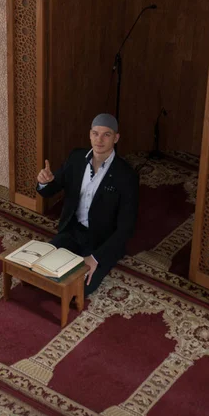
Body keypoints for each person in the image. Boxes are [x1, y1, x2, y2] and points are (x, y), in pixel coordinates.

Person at [36, 113, 139, 295]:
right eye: (95, 133)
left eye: (106, 135)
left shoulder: (126, 176)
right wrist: (45, 181)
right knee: (40, 271)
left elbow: (126, 228)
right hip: (72, 232)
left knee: (79, 288)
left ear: (116, 138)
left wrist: (95, 257)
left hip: (101, 242)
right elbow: (49, 190)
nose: (99, 140)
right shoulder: (76, 158)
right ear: (90, 135)